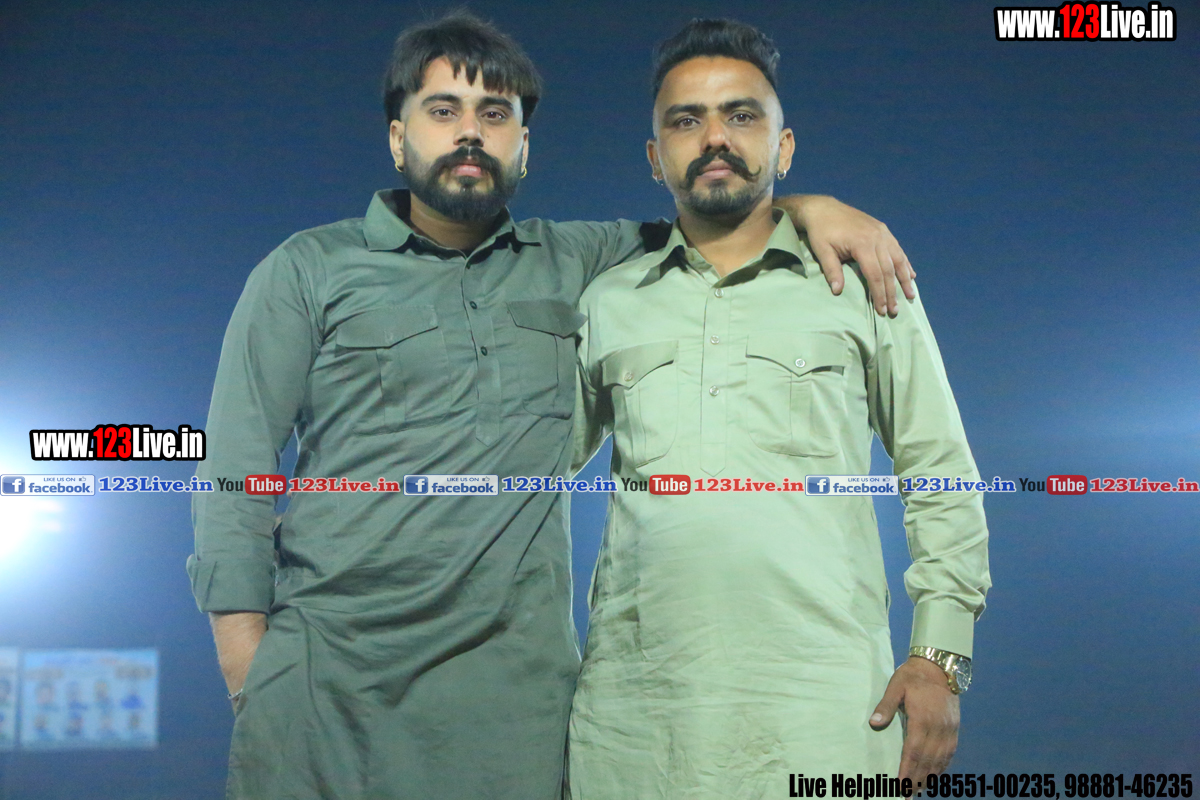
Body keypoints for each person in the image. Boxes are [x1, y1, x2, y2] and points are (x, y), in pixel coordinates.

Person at [186, 11, 916, 800]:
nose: (471, 133)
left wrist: (810, 205)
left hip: (516, 711)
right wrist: (247, 664)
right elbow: (235, 466)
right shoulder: (307, 270)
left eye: (495, 115)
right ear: (398, 139)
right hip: (324, 690)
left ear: (524, 146)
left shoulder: (581, 262)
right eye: (443, 111)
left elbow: (718, 213)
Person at [567, 19, 991, 798]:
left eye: (742, 115)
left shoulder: (865, 282)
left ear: (783, 145)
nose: (715, 138)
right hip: (635, 722)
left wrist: (939, 659)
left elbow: (938, 469)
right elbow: (526, 476)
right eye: (686, 120)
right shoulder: (606, 302)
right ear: (655, 157)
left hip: (828, 708)